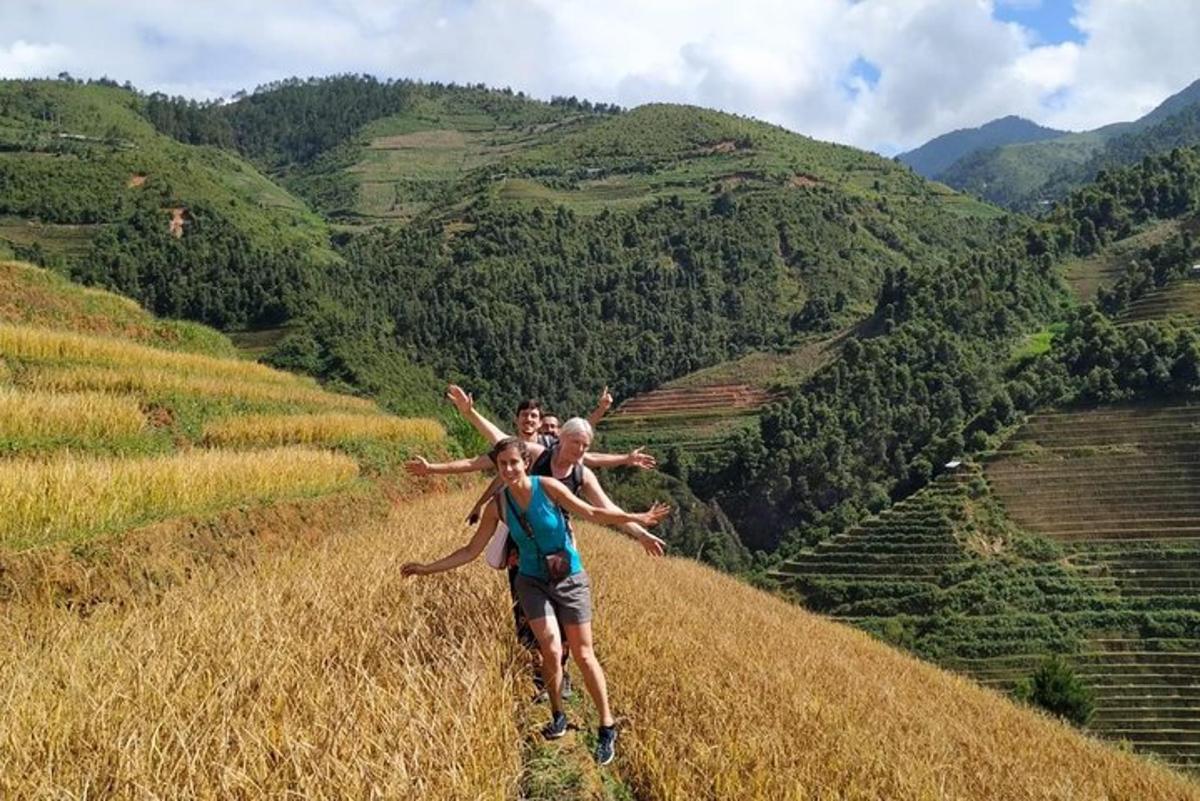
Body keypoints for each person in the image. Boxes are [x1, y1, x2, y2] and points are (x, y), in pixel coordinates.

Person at [402, 436, 670, 765]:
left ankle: (606, 726)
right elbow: (471, 551)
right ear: (498, 469)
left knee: (584, 655)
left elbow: (589, 511)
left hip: (569, 577)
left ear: (526, 463)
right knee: (551, 649)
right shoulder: (497, 504)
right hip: (531, 581)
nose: (510, 469)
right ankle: (558, 714)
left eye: (515, 462)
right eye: (503, 465)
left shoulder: (548, 487)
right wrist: (426, 569)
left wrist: (635, 519)